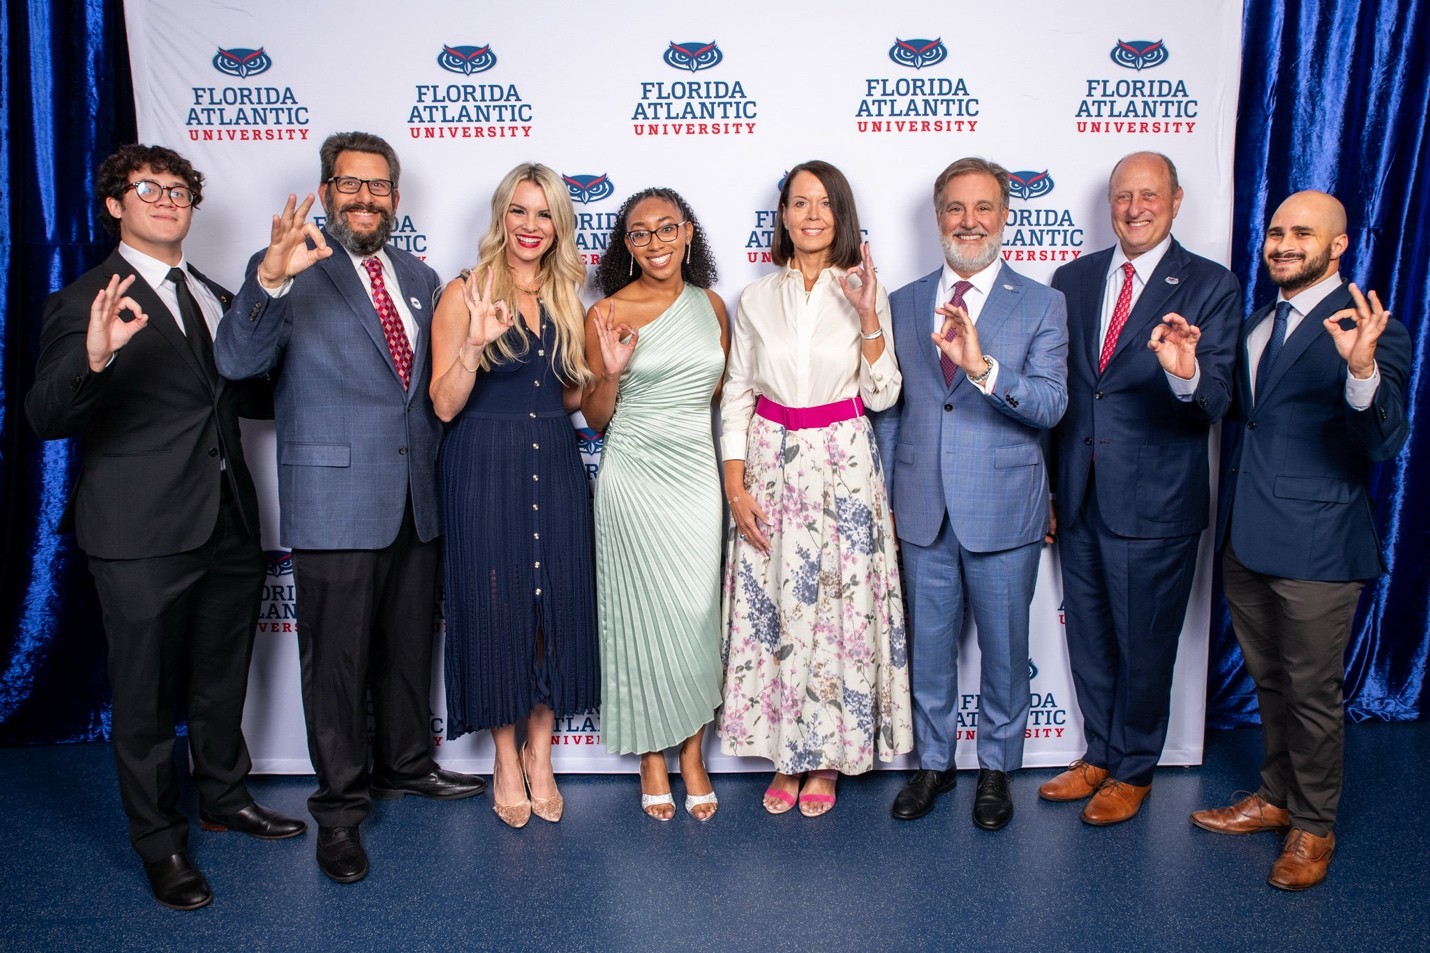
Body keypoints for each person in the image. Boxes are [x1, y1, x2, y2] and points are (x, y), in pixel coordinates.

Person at [25, 144, 304, 910]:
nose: (167, 198)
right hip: (139, 532)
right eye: (148, 187)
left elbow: (249, 398)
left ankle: (223, 797)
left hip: (228, 521)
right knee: (145, 702)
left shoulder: (216, 293)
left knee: (220, 681)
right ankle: (159, 843)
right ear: (115, 204)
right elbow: (46, 416)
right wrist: (93, 356)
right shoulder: (85, 299)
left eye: (180, 189)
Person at [214, 131, 485, 883]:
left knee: (405, 650)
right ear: (327, 190)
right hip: (333, 498)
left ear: (396, 197)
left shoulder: (422, 275)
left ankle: (405, 763)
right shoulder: (288, 269)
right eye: (349, 184)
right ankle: (338, 808)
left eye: (379, 186)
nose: (364, 198)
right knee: (334, 664)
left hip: (413, 497)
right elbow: (236, 363)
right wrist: (268, 279)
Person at [1190, 191, 1411, 890]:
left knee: (1313, 692)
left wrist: (1361, 371)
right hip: (1247, 536)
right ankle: (1276, 796)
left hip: (1318, 544)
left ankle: (1314, 827)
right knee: (1271, 682)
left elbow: (1384, 440)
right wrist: (1187, 372)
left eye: (1303, 233)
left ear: (1338, 244)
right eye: (1277, 231)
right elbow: (1242, 418)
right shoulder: (1259, 320)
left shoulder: (1372, 327)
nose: (1284, 243)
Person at [1042, 151, 1239, 825]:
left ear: (1177, 201)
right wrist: (1047, 487)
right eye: (1123, 196)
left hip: (1156, 504)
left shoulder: (1210, 285)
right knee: (1090, 636)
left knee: (1146, 642)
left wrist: (1183, 373)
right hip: (1080, 492)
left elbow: (1214, 398)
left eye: (1148, 195)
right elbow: (1064, 393)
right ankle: (1099, 751)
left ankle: (1134, 767)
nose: (1133, 207)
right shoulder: (1072, 278)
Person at [873, 157, 1068, 830]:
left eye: (983, 207)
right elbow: (892, 410)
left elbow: (1049, 405)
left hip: (1004, 510)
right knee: (929, 648)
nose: (969, 221)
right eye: (955, 208)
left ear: (1006, 216)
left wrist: (984, 367)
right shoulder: (901, 302)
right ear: (937, 217)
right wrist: (892, 493)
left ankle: (995, 768)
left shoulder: (1043, 303)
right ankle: (933, 763)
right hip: (922, 509)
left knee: (1006, 650)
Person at [717, 160, 913, 817]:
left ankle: (826, 755)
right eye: (798, 203)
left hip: (842, 464)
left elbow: (885, 393)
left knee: (837, 609)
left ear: (841, 215)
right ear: (782, 216)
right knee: (777, 606)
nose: (810, 214)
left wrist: (867, 315)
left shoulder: (862, 286)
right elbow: (738, 394)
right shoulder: (755, 298)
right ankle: (784, 750)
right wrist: (735, 482)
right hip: (771, 462)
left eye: (823, 204)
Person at [429, 163, 599, 829]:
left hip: (553, 463)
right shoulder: (465, 292)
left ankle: (542, 752)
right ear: (502, 216)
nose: (531, 226)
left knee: (550, 607)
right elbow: (444, 405)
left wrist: (600, 374)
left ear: (560, 223)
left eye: (544, 212)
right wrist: (472, 346)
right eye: (519, 211)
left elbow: (566, 397)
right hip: (483, 466)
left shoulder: (566, 297)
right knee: (494, 609)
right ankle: (505, 755)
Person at [582, 188, 730, 821]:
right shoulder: (606, 313)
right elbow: (594, 419)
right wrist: (611, 371)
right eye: (639, 234)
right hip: (632, 477)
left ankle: (692, 753)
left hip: (696, 478)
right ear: (626, 246)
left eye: (666, 228)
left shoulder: (714, 306)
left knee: (698, 615)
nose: (655, 242)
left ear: (688, 233)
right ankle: (650, 758)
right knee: (638, 616)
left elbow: (719, 394)